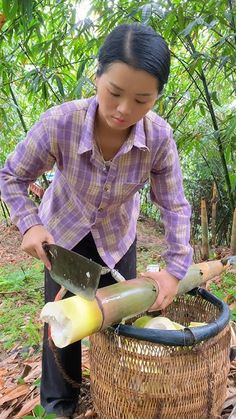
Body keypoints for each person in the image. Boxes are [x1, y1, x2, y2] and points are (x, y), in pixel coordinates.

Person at [0, 23, 192, 418]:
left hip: (118, 237)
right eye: (114, 93)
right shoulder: (60, 123)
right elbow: (12, 176)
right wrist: (29, 223)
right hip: (63, 235)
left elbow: (174, 205)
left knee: (119, 318)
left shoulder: (158, 139)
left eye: (142, 100)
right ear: (97, 77)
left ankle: (118, 395)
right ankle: (58, 404)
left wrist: (175, 269)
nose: (124, 110)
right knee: (62, 320)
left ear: (157, 96)